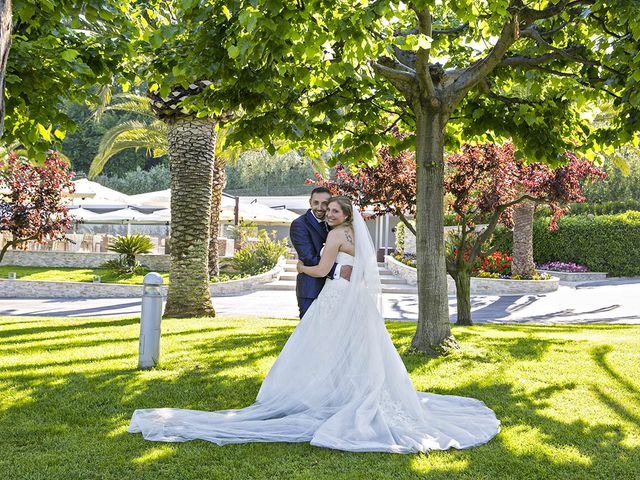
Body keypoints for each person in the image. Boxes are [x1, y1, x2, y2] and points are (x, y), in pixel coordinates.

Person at [128, 196, 500, 454]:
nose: (331, 215)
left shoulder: (337, 237)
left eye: (336, 211)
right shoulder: (359, 237)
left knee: (317, 346)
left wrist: (300, 266)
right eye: (329, 211)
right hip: (354, 301)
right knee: (355, 350)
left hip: (336, 296)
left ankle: (317, 394)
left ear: (345, 215)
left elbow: (322, 270)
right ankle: (346, 392)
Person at [289, 187, 352, 318]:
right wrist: (339, 270)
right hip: (311, 289)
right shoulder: (299, 224)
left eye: (325, 203)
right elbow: (308, 257)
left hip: (337, 290)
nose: (320, 207)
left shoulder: (335, 223)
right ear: (310, 202)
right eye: (316, 202)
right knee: (310, 333)